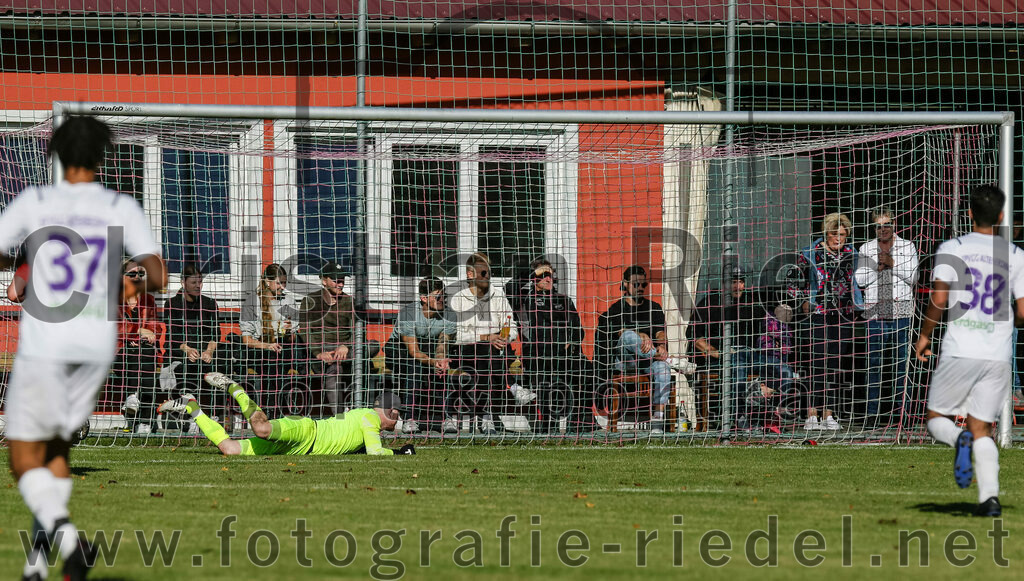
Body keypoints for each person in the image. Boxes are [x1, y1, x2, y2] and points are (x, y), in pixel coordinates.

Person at [0, 115, 166, 581]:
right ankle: (35, 570)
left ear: (54, 155)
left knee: (23, 459)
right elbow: (157, 276)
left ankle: (71, 542)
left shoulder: (37, 201)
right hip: (96, 345)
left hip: (47, 345)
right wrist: (125, 274)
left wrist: (24, 255)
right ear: (101, 157)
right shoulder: (119, 205)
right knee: (56, 457)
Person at [914, 185, 1024, 517]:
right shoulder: (1016, 254)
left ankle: (958, 439)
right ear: (1002, 216)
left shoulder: (953, 247)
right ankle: (989, 500)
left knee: (936, 420)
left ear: (970, 214)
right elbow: (1022, 312)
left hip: (960, 348)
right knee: (984, 428)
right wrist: (1011, 326)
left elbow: (940, 299)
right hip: (997, 354)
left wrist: (924, 336)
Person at [159, 372, 415, 456]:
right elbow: (375, 453)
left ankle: (192, 407)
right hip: (306, 431)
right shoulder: (370, 418)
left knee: (230, 450)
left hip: (299, 449)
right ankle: (235, 388)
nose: (399, 420)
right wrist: (401, 452)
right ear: (390, 411)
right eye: (398, 415)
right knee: (262, 428)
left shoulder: (366, 418)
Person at [596, 265, 690, 433]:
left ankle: (657, 421)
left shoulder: (653, 307)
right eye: (635, 284)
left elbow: (660, 332)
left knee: (663, 369)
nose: (640, 288)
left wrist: (661, 344)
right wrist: (640, 336)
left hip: (648, 360)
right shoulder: (616, 309)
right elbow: (620, 333)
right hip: (626, 361)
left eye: (643, 285)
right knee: (628, 336)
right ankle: (670, 360)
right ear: (625, 284)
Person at [791, 213, 864, 431]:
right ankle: (811, 415)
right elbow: (794, 280)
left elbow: (859, 280)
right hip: (817, 313)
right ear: (826, 233)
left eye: (843, 234)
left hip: (843, 314)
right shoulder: (810, 253)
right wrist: (803, 301)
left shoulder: (853, 254)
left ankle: (829, 415)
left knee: (835, 365)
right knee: (816, 363)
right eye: (835, 234)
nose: (839, 238)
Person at [447, 252, 534, 435]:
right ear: (470, 275)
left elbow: (511, 325)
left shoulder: (498, 295)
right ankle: (511, 388)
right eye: (484, 273)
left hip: (496, 352)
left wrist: (504, 336)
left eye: (489, 273)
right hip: (465, 352)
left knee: (492, 355)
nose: (488, 277)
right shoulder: (459, 299)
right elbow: (458, 334)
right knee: (488, 352)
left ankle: (486, 417)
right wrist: (487, 337)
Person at [510, 258, 594, 433]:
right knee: (546, 374)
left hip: (564, 353)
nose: (549, 279)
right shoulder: (524, 299)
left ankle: (580, 420)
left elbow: (578, 330)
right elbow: (508, 288)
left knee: (587, 369)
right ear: (534, 278)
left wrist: (571, 342)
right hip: (537, 353)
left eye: (551, 275)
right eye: (544, 275)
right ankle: (548, 423)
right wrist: (532, 273)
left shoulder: (563, 300)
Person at [855, 207, 919, 423]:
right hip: (875, 311)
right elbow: (861, 280)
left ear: (894, 224)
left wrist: (892, 264)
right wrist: (877, 267)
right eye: (878, 226)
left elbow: (913, 276)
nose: (882, 229)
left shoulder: (907, 246)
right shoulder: (866, 248)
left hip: (901, 310)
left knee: (902, 365)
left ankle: (903, 414)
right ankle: (872, 414)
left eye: (886, 224)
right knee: (875, 364)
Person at [690, 266, 765, 429]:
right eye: (733, 282)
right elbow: (695, 336)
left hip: (750, 353)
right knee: (737, 364)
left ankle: (774, 417)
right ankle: (738, 416)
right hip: (722, 356)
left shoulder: (752, 302)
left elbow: (766, 332)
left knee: (780, 368)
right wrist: (716, 352)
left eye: (741, 282)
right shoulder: (710, 302)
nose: (738, 287)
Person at [383, 276, 457, 433]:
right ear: (424, 298)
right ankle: (410, 418)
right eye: (438, 296)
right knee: (415, 365)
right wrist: (432, 362)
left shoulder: (450, 315)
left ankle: (447, 417)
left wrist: (439, 361)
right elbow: (413, 351)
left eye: (444, 296)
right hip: (399, 349)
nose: (442, 299)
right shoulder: (408, 314)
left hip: (428, 346)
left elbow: (442, 345)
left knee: (442, 369)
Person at [163, 264, 224, 416]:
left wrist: (209, 351)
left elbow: (215, 334)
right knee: (187, 364)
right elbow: (172, 337)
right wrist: (188, 349)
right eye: (194, 282)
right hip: (181, 349)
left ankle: (215, 413)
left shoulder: (210, 303)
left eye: (200, 282)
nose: (198, 286)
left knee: (219, 363)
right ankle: (190, 414)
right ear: (183, 283)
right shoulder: (172, 304)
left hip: (205, 351)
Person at [300, 261, 358, 416]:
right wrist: (318, 353)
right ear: (324, 281)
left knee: (372, 345)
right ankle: (339, 419)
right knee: (334, 368)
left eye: (342, 281)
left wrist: (346, 346)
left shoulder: (349, 302)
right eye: (336, 281)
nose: (340, 284)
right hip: (322, 354)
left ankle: (355, 410)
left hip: (346, 353)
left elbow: (357, 331)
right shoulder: (311, 301)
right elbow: (305, 331)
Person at [115, 259, 161, 434]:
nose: (137, 277)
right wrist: (139, 332)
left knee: (147, 356)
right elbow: (116, 327)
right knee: (135, 353)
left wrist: (149, 336)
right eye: (132, 273)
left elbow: (155, 328)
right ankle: (136, 406)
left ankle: (144, 420)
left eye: (141, 274)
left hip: (144, 350)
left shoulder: (148, 299)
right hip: (120, 350)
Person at [238, 263, 304, 377]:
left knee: (295, 351)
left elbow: (294, 338)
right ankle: (275, 393)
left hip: (283, 347)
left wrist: (288, 333)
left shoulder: (288, 301)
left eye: (284, 283)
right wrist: (267, 346)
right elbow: (247, 340)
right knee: (272, 360)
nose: (283, 287)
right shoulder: (252, 302)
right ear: (268, 282)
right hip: (259, 349)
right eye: (279, 283)